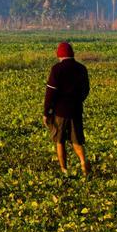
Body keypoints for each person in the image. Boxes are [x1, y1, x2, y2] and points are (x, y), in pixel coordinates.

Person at [43, 41, 90, 175]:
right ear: (72, 54)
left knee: (60, 140)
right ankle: (83, 161)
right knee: (76, 140)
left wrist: (46, 112)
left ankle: (64, 170)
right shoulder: (81, 68)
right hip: (76, 110)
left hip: (60, 111)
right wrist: (78, 100)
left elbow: (50, 93)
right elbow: (86, 89)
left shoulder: (57, 69)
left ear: (60, 55)